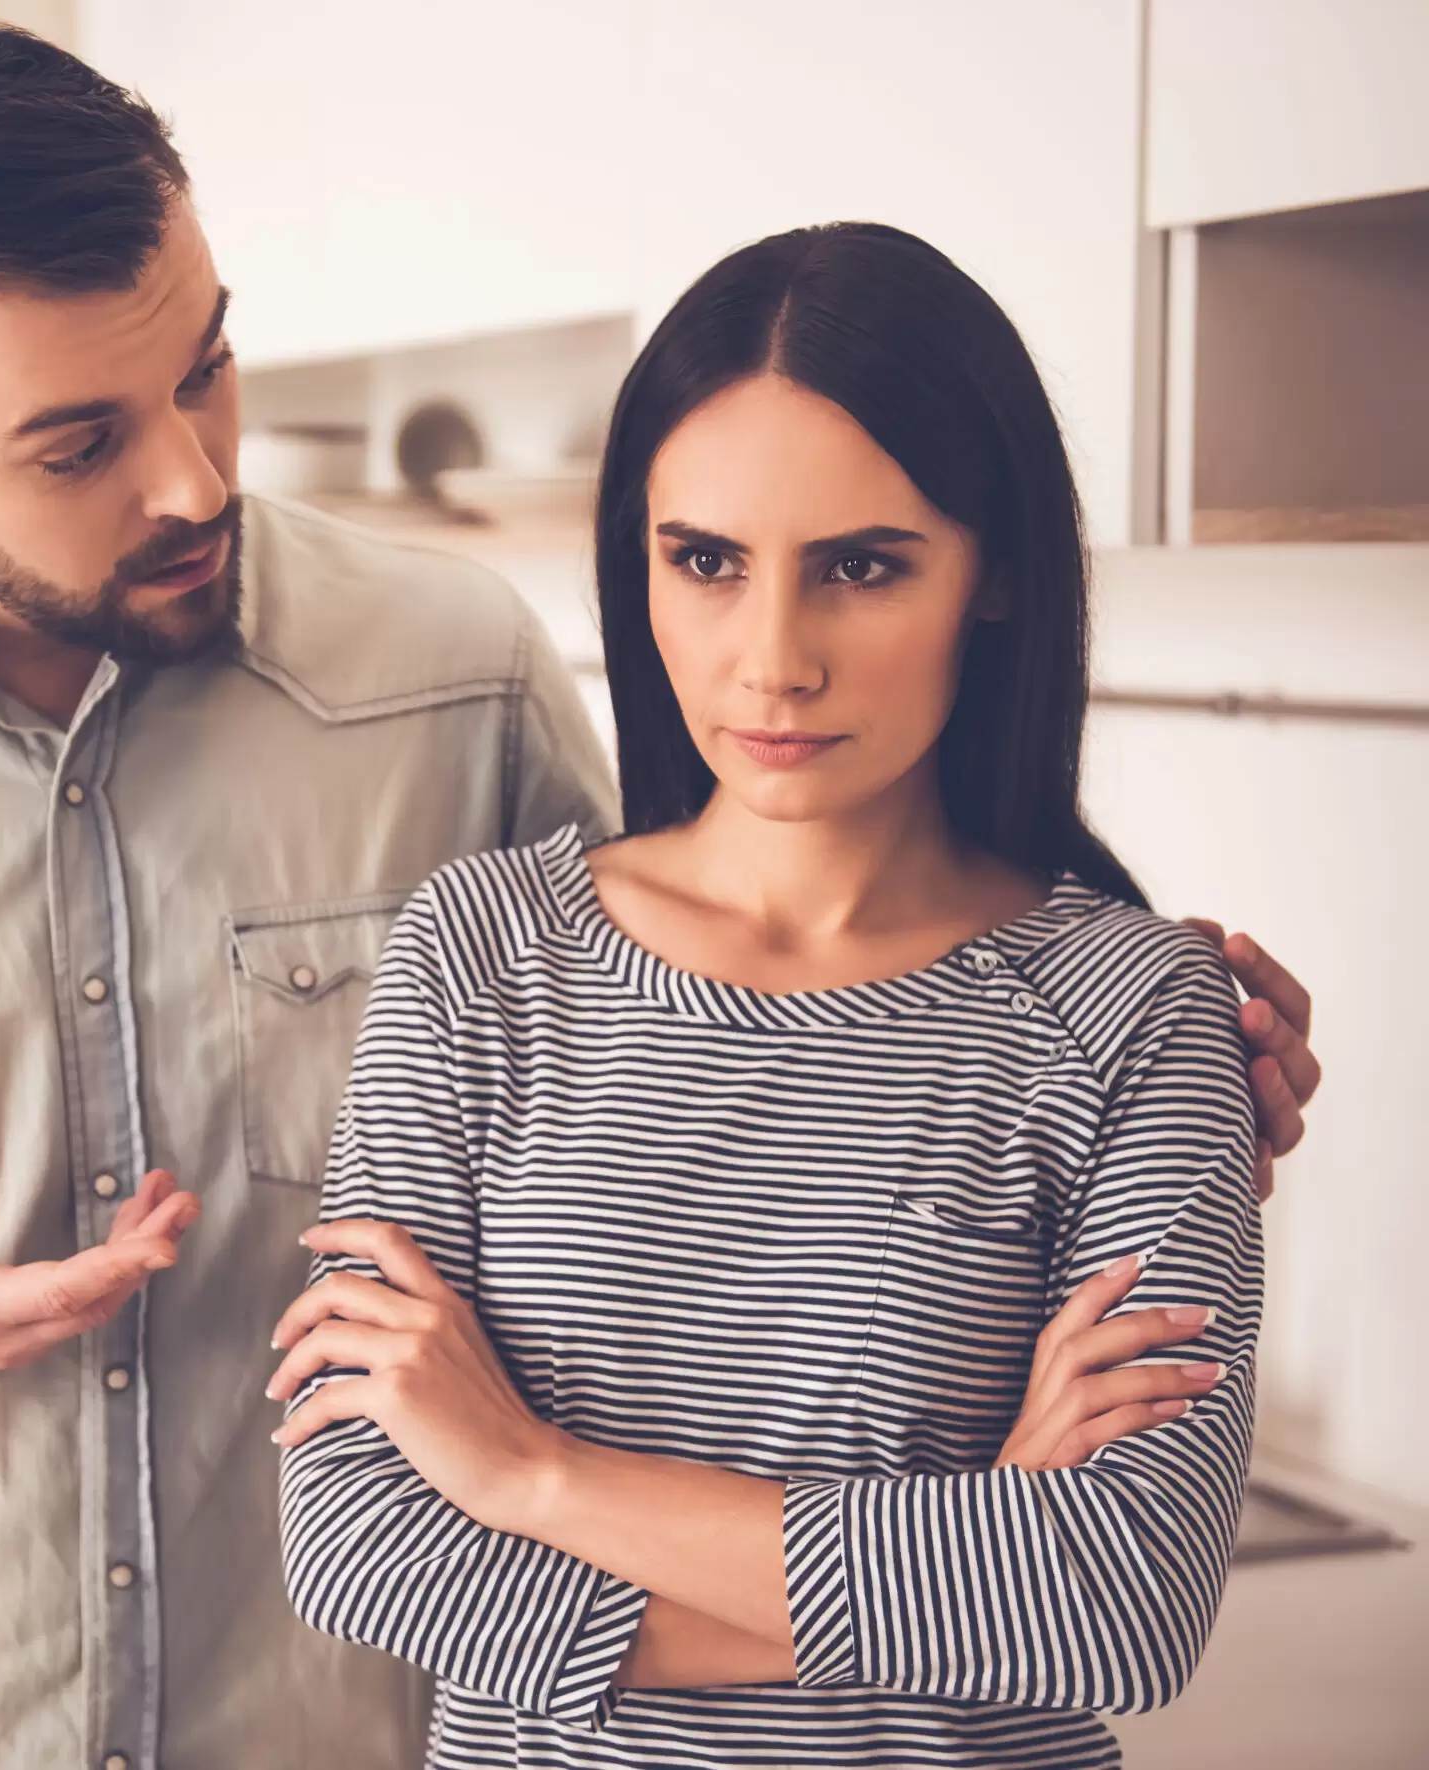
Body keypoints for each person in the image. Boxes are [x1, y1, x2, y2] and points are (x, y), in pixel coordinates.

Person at [0, 26, 1320, 1770]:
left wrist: (1154, 1068)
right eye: (79, 444)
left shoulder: (446, 675)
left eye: (204, 366)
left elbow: (744, 1003)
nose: (194, 479)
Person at [271, 222, 1270, 1769]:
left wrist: (529, 1472)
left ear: (992, 572)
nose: (771, 660)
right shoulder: (479, 956)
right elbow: (359, 1540)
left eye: (862, 566)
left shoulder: (1135, 1009)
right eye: (707, 562)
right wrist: (967, 1552)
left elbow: (1121, 1599)